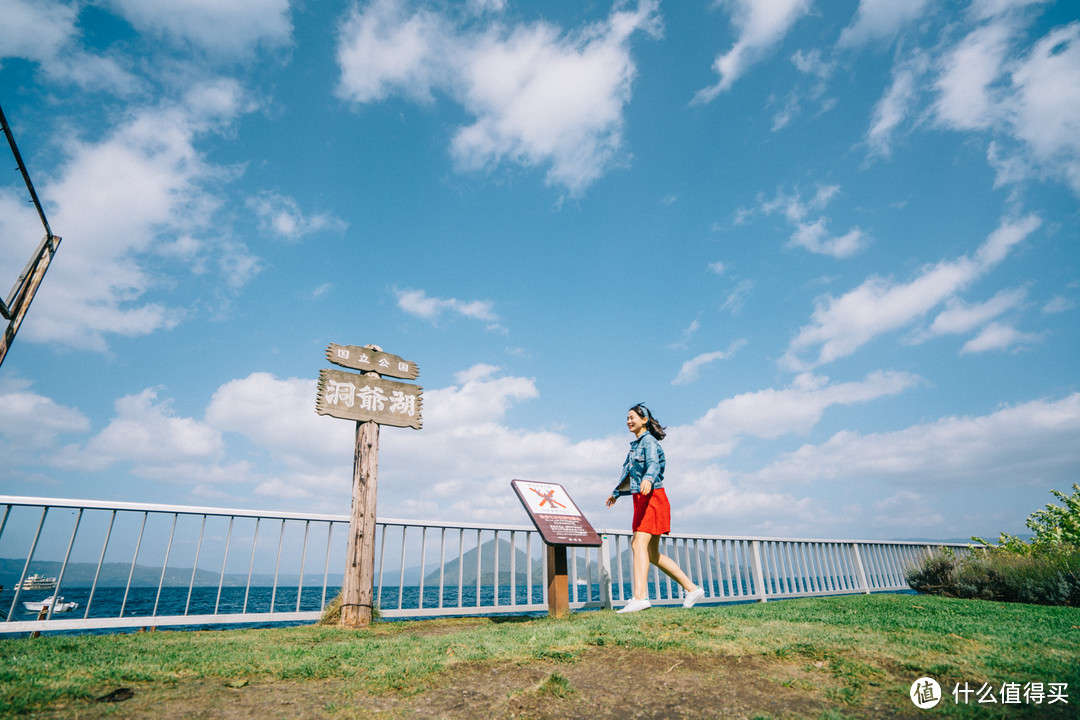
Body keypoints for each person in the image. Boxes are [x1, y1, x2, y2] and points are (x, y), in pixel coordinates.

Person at [606, 403, 705, 613]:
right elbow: (629, 475)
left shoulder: (649, 442)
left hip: (653, 497)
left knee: (637, 544)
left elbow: (653, 464)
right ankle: (691, 588)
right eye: (627, 418)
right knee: (651, 553)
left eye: (632, 417)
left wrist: (649, 479)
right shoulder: (634, 446)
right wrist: (616, 493)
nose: (628, 421)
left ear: (644, 420)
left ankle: (640, 597)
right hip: (641, 498)